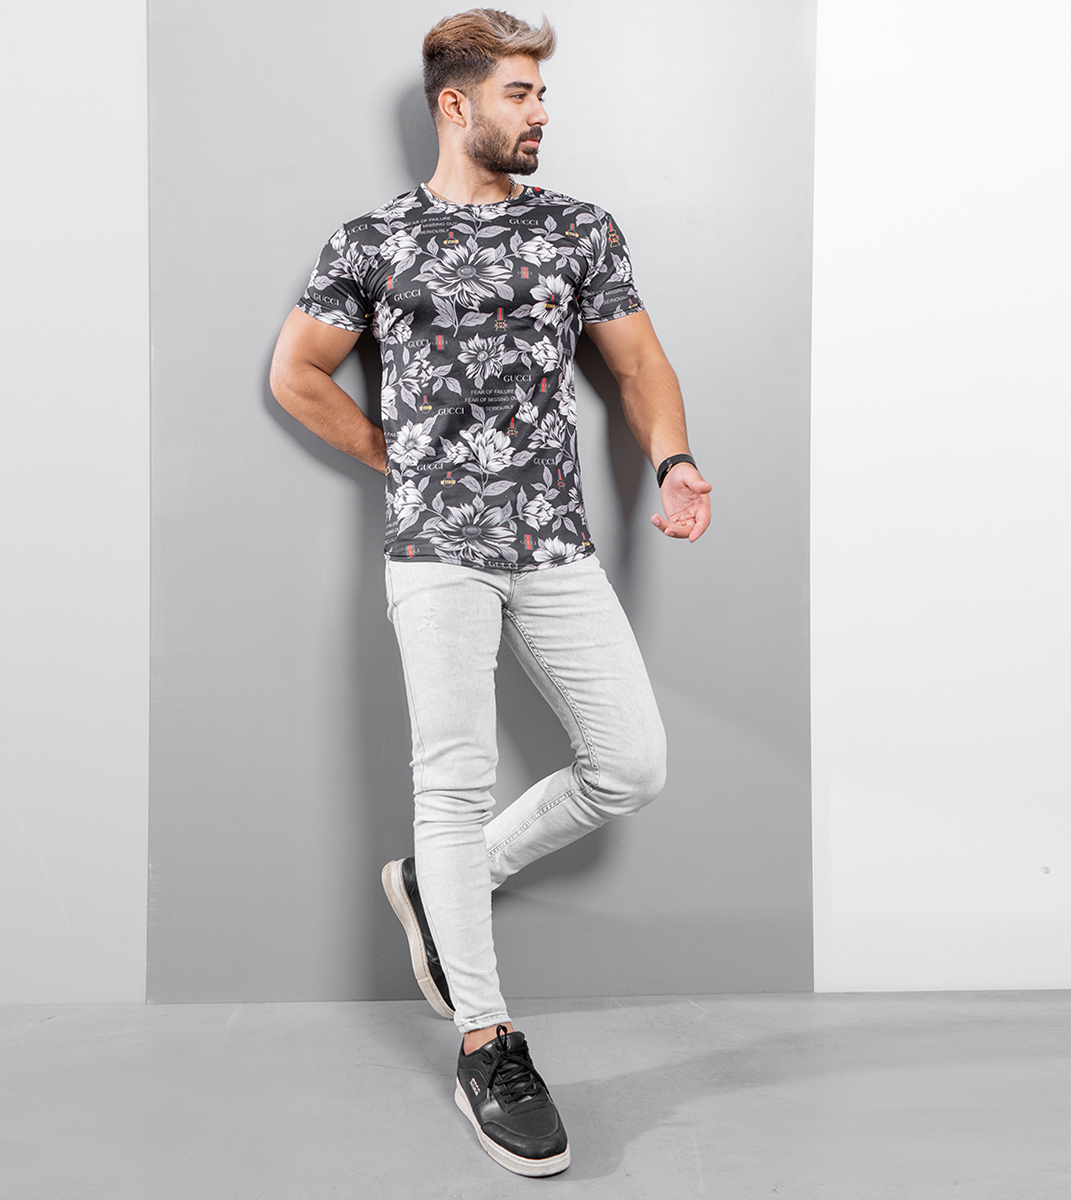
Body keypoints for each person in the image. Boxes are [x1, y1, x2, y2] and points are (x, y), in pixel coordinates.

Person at [269, 8, 711, 1178]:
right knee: (451, 779)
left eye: (542, 94)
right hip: (436, 552)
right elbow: (297, 373)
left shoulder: (578, 229)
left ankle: (442, 883)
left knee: (632, 764)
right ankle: (486, 1038)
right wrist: (397, 461)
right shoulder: (372, 239)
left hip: (556, 544)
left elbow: (639, 364)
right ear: (456, 105)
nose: (542, 113)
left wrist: (673, 458)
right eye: (522, 93)